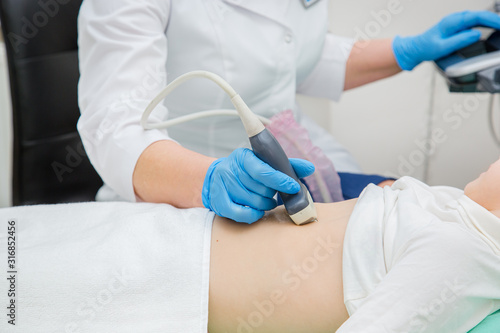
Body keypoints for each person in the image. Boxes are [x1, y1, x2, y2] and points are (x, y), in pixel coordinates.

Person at [77, 1, 500, 223]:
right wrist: (207, 181)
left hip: (292, 163)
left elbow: (297, 56)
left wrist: (405, 50)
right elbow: (116, 126)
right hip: (182, 186)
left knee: (401, 199)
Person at [1, 158, 499, 332]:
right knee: (33, 242)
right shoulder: (453, 208)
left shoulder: (466, 251)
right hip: (173, 230)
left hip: (176, 282)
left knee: (30, 286)